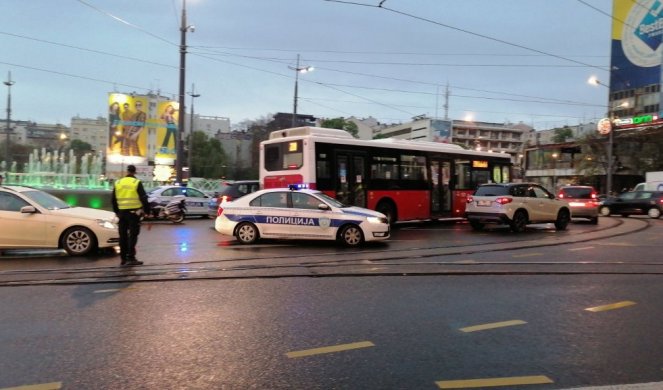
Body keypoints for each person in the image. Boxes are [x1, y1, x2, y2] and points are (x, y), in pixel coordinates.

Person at [111, 165, 150, 266]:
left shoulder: (118, 182)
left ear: (127, 171)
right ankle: (131, 258)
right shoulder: (136, 182)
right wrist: (147, 212)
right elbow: (144, 198)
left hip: (122, 214)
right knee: (133, 236)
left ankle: (123, 258)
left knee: (122, 236)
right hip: (133, 214)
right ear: (134, 172)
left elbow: (113, 200)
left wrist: (117, 212)